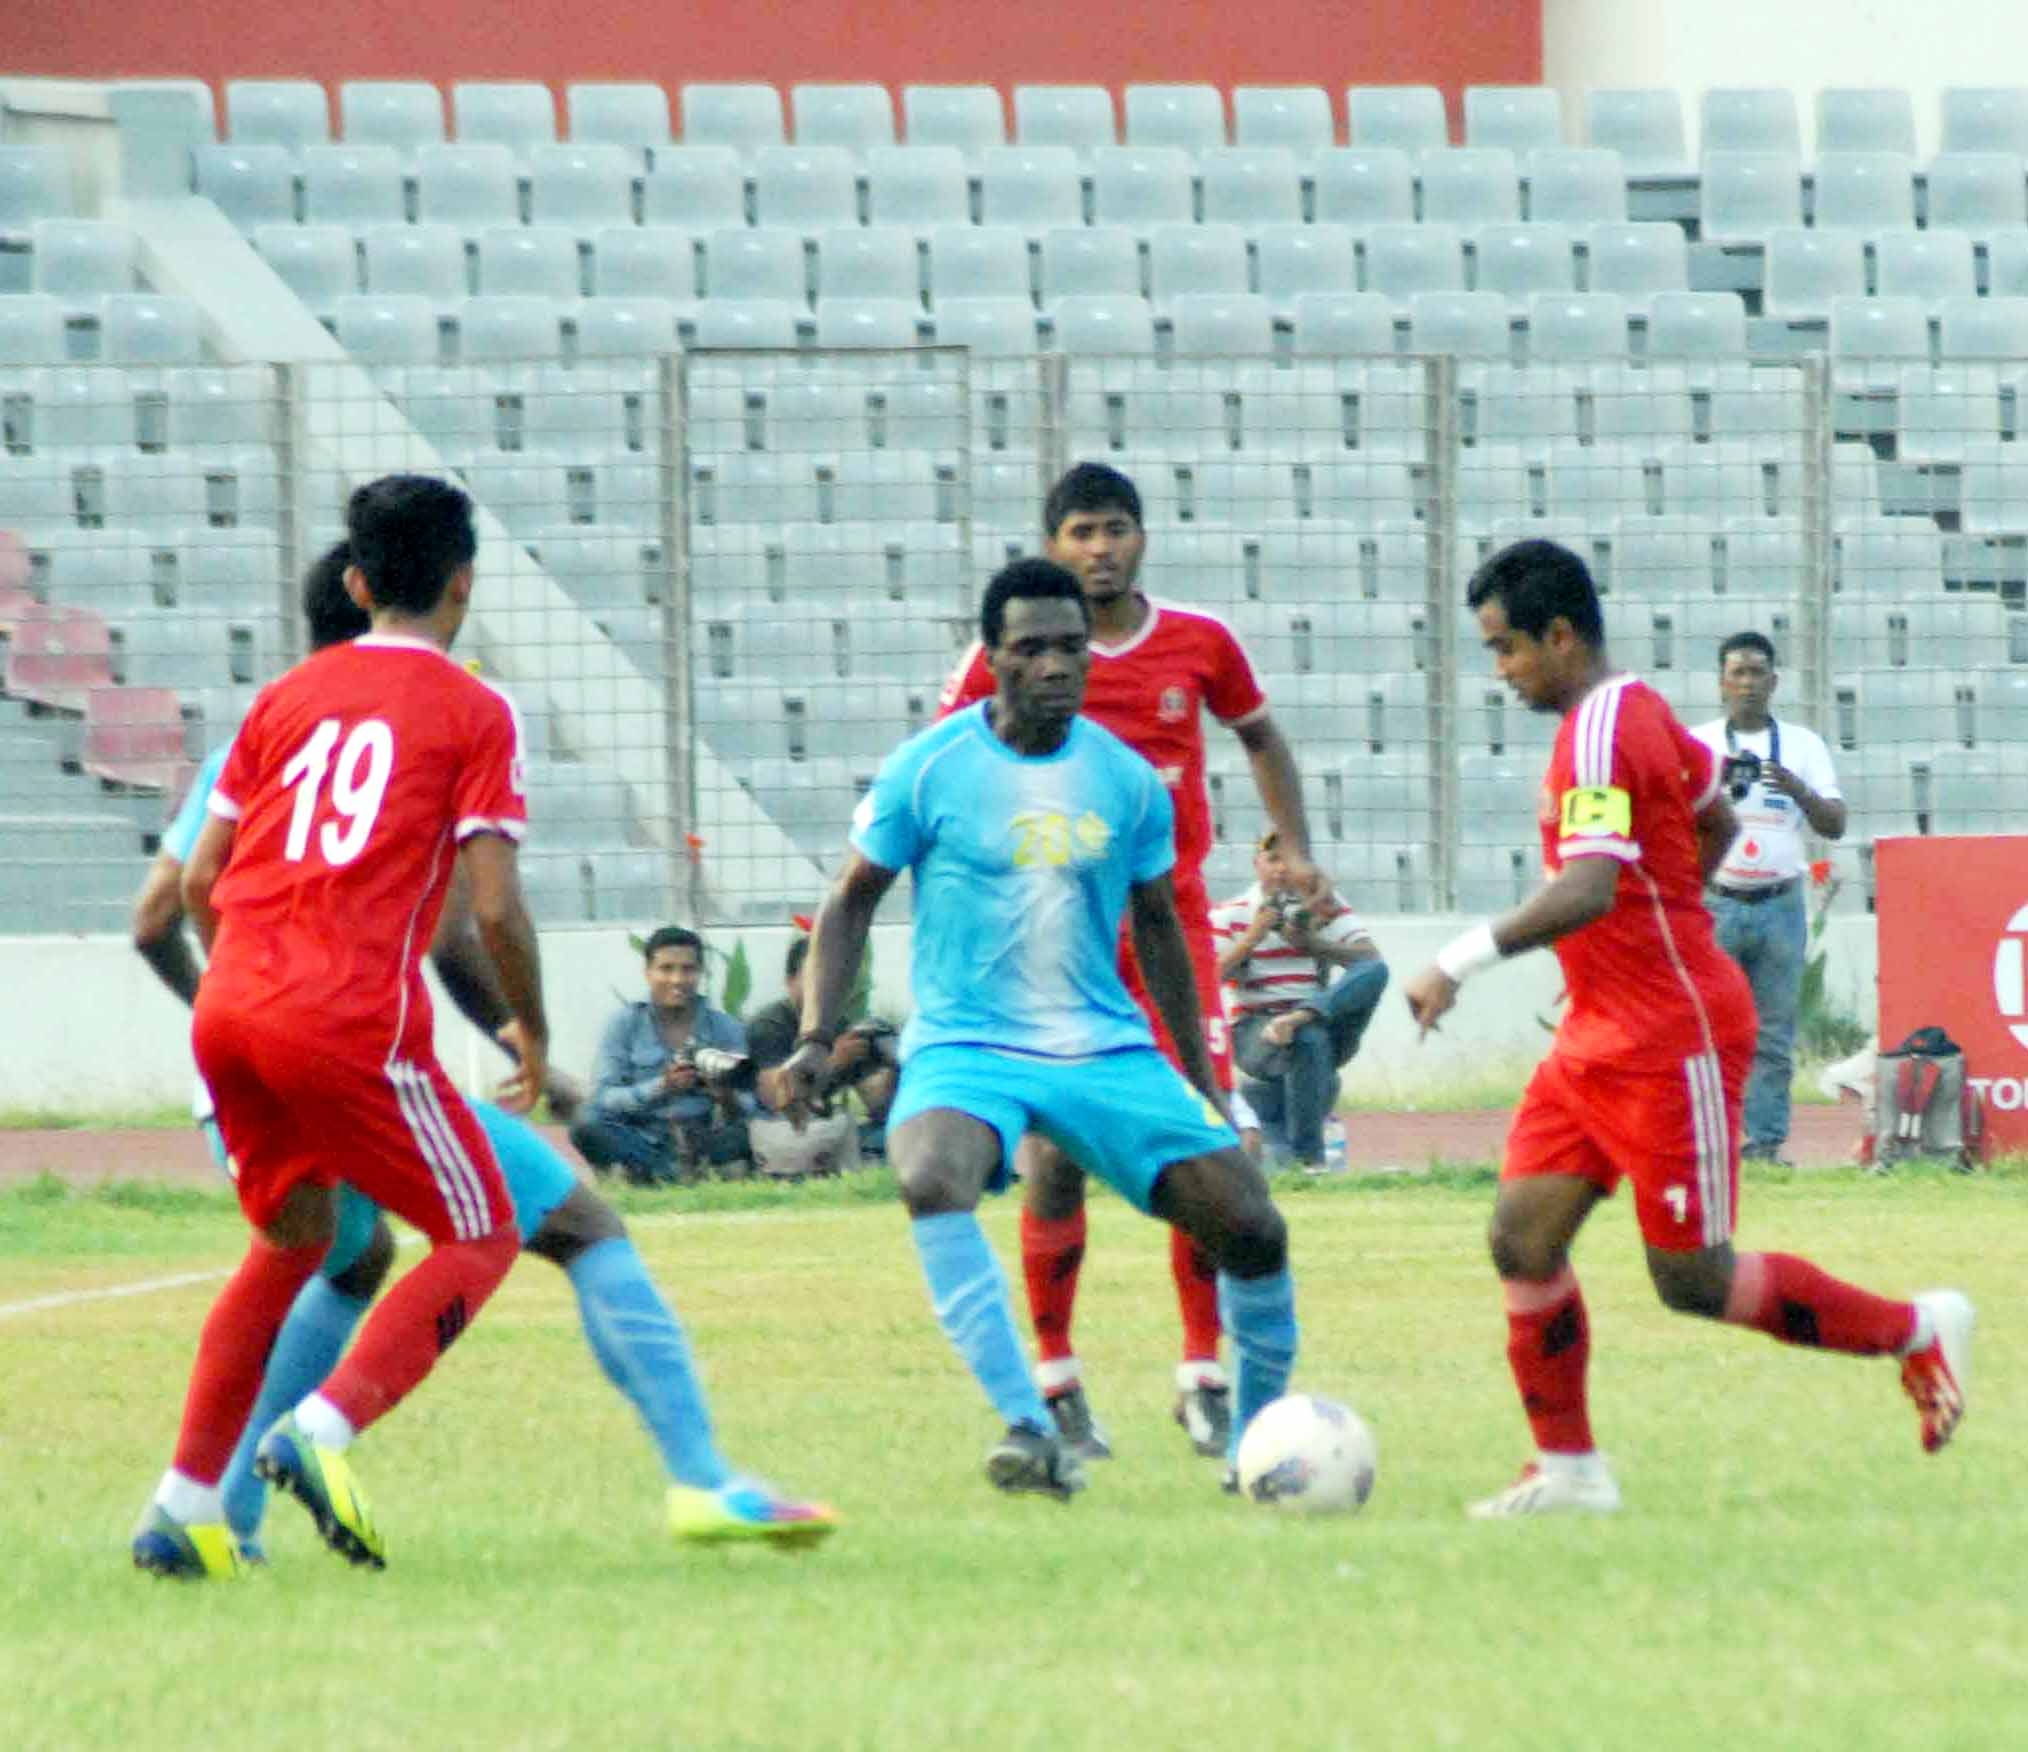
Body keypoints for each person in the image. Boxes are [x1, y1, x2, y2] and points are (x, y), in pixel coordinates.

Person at [132, 542, 836, 1562]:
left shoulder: (266, 721)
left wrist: (241, 1003)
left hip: (243, 1049)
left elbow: (169, 906)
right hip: (343, 1044)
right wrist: (528, 1037)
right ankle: (702, 1480)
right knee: (565, 1224)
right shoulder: (422, 717)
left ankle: (202, 1515)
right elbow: (468, 923)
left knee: (327, 1255)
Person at [1400, 539, 1972, 1519]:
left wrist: (1456, 961)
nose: (1500, 672)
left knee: (1693, 1279)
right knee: (1521, 1239)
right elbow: (1713, 823)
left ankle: (1915, 1328)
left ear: (1561, 635)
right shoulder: (1642, 711)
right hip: (1599, 1032)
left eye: (1506, 649)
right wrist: (1637, 937)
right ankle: (1570, 1471)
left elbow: (1588, 886)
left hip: (1672, 1038)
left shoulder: (1599, 731)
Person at [771, 559, 1298, 1500]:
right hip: (967, 1044)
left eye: (1070, 647)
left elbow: (1160, 927)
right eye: (1032, 648)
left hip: (1102, 1044)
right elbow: (850, 901)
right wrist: (816, 1036)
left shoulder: (1127, 780)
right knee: (930, 1177)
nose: (1056, 664)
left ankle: (1254, 1448)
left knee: (1253, 1226)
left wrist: (1202, 1081)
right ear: (994, 658)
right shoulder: (930, 766)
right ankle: (1030, 1424)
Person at [132, 475, 547, 1579]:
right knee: (482, 1234)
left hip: (230, 1009)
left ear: (357, 584)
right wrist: (533, 1029)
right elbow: (495, 907)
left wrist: (251, 989)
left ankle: (182, 1510)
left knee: (295, 1238)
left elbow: (201, 881)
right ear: (464, 582)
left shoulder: (283, 698)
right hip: (347, 1016)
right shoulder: (477, 711)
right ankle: (318, 1431)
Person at [939, 462, 1325, 1465]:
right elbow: (949, 764)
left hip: (1170, 933)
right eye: (1081, 532)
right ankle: (1058, 1378)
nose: (1101, 548)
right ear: (1052, 546)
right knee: (1055, 1159)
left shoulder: (1200, 642)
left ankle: (1203, 1374)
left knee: (1204, 1141)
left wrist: (1293, 843)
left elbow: (1261, 736)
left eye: (1115, 528)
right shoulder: (1004, 653)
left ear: (1142, 537)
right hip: (1053, 938)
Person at [1689, 631, 1846, 1166]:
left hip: (1780, 903)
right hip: (1717, 902)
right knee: (1707, 1029)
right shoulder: (1697, 744)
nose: (1748, 684)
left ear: (1774, 681)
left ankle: (1765, 1144)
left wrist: (1795, 786)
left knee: (1773, 1032)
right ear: (1721, 682)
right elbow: (1667, 818)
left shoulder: (1803, 745)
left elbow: (1836, 824)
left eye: (1758, 673)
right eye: (1737, 673)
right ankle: (1709, 1142)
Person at [1211, 831, 1390, 1170]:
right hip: (1255, 1027)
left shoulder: (1323, 906)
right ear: (1256, 864)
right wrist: (1252, 937)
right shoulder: (1229, 914)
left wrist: (1313, 945)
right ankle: (1309, 1161)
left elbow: (1369, 959)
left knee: (1375, 971)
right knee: (1308, 1040)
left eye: (1289, 860)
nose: (1281, 868)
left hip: (1320, 1017)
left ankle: (1303, 1015)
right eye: (1273, 859)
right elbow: (1208, 979)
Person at [569, 928, 752, 1184]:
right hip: (643, 1136)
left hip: (704, 1137)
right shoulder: (624, 1024)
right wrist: (661, 1086)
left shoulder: (725, 1027)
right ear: (648, 973)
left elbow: (750, 1102)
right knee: (586, 1124)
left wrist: (725, 1094)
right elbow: (604, 1097)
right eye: (666, 969)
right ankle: (671, 1171)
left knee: (755, 1130)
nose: (677, 979)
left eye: (688, 969)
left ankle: (660, 1173)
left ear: (700, 973)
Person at [745, 934, 897, 1174]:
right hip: (775, 1129)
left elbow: (878, 1104)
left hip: (820, 1129)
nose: (826, 986)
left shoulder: (839, 1025)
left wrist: (894, 1063)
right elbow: (775, 1098)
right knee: (844, 1130)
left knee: (893, 1135)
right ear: (790, 982)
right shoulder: (770, 1024)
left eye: (833, 977)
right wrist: (834, 1062)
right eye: (816, 977)